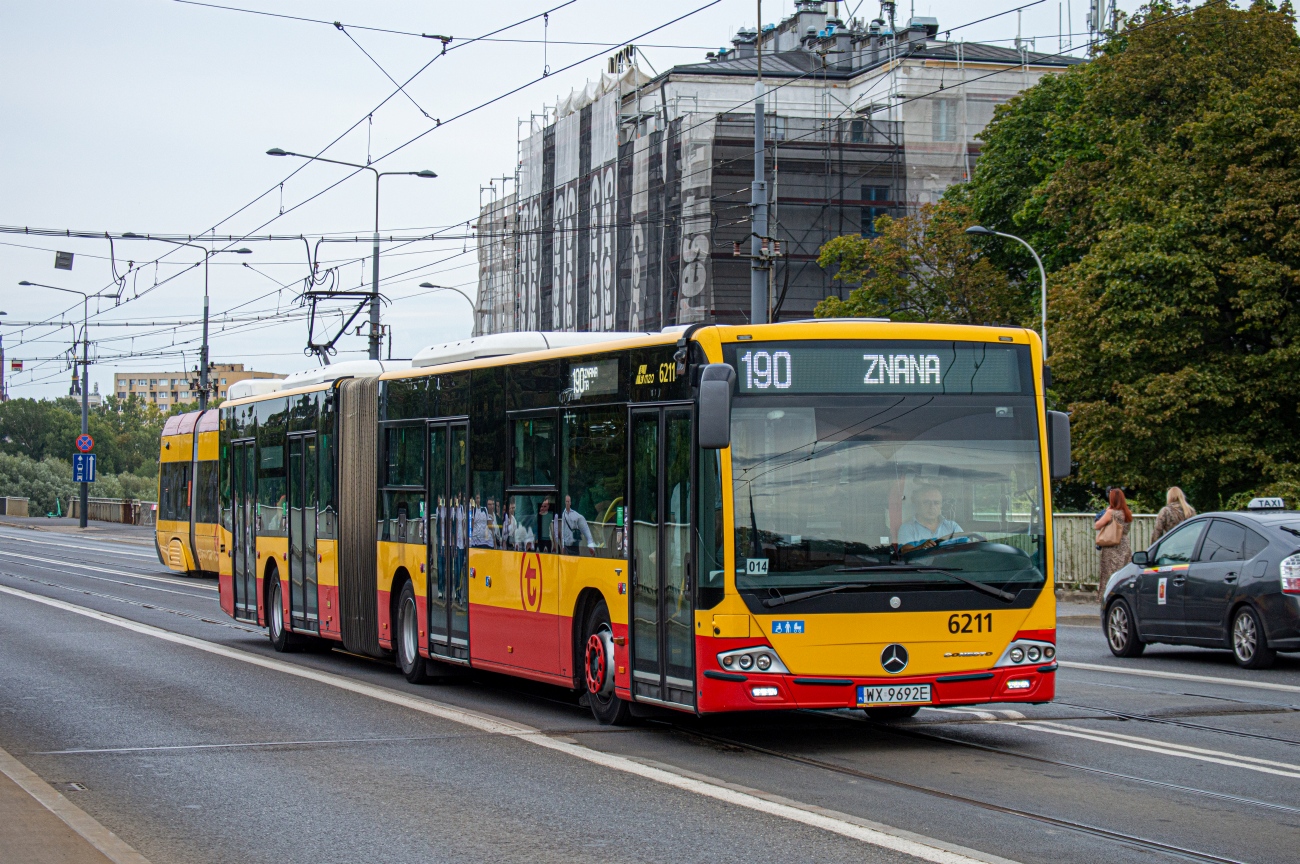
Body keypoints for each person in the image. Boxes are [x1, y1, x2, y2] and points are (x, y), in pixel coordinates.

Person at [898, 484, 963, 551]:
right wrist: (921, 548)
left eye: (936, 503)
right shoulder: (907, 528)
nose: (932, 507)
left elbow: (968, 547)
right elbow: (904, 552)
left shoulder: (952, 527)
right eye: (926, 502)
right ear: (918, 504)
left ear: (941, 505)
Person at [1094, 487, 1133, 602]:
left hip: (1112, 546)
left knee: (1109, 574)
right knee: (1123, 573)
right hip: (1124, 545)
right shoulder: (1127, 513)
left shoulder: (1111, 513)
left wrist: (1105, 512)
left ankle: (1108, 598)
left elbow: (1097, 525)